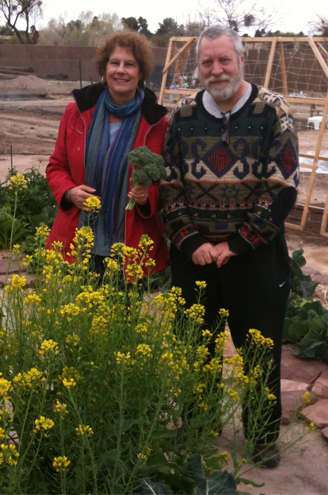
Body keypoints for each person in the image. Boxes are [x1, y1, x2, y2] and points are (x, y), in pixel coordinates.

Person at [160, 24, 300, 467]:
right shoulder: (180, 117)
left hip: (255, 257)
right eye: (207, 62)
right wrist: (191, 240)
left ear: (242, 61)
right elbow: (168, 188)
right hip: (195, 257)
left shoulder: (274, 111)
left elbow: (283, 188)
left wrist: (238, 243)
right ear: (198, 66)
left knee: (260, 352)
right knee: (195, 348)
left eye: (225, 60)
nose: (216, 70)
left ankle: (261, 436)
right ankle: (199, 426)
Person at [46, 31, 169, 276]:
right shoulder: (75, 113)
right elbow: (56, 166)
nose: (120, 70)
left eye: (129, 64)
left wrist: (147, 197)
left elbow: (166, 181)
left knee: (119, 313)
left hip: (129, 244)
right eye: (115, 63)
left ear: (141, 72)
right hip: (77, 239)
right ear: (105, 68)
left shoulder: (157, 123)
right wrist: (69, 192)